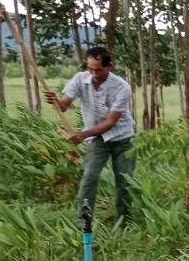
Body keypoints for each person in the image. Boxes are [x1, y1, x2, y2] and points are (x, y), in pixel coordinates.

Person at [46, 45, 136, 229]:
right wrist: (55, 101)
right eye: (90, 68)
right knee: (89, 177)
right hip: (97, 139)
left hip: (123, 138)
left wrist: (82, 135)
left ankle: (123, 224)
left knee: (124, 182)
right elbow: (63, 105)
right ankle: (83, 222)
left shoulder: (122, 87)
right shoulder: (80, 79)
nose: (93, 73)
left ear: (109, 66)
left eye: (98, 69)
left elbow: (111, 122)